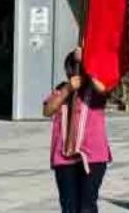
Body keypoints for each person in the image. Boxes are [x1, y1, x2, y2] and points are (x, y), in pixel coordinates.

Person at [44, 47, 111, 213]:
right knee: (69, 208)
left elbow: (103, 88)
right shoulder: (62, 89)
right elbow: (47, 110)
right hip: (64, 158)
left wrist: (88, 61)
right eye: (75, 66)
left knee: (87, 207)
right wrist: (68, 89)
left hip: (93, 157)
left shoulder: (96, 91)